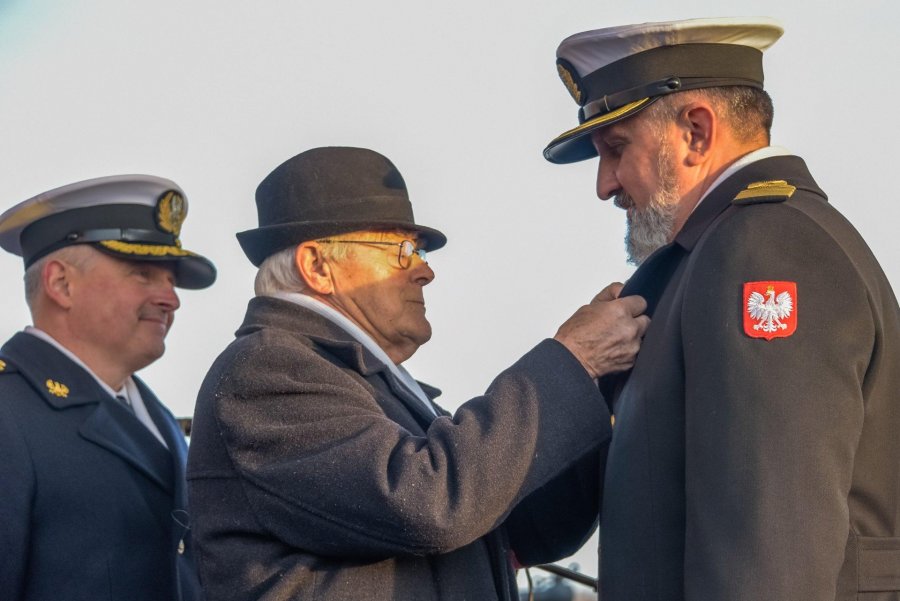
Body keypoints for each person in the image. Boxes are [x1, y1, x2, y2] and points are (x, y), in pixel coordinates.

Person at [186, 146, 650, 601]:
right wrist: (573, 361)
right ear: (317, 266)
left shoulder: (359, 382)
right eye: (402, 249)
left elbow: (531, 531)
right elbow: (425, 503)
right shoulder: (268, 369)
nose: (425, 271)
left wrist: (595, 386)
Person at [543, 16, 900, 601]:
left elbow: (771, 553)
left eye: (615, 148)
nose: (605, 185)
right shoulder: (701, 261)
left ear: (696, 132)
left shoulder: (764, 248)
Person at [0, 175, 217, 601]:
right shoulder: (10, 413)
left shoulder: (155, 418)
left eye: (171, 280)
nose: (170, 298)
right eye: (142, 273)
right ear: (61, 284)